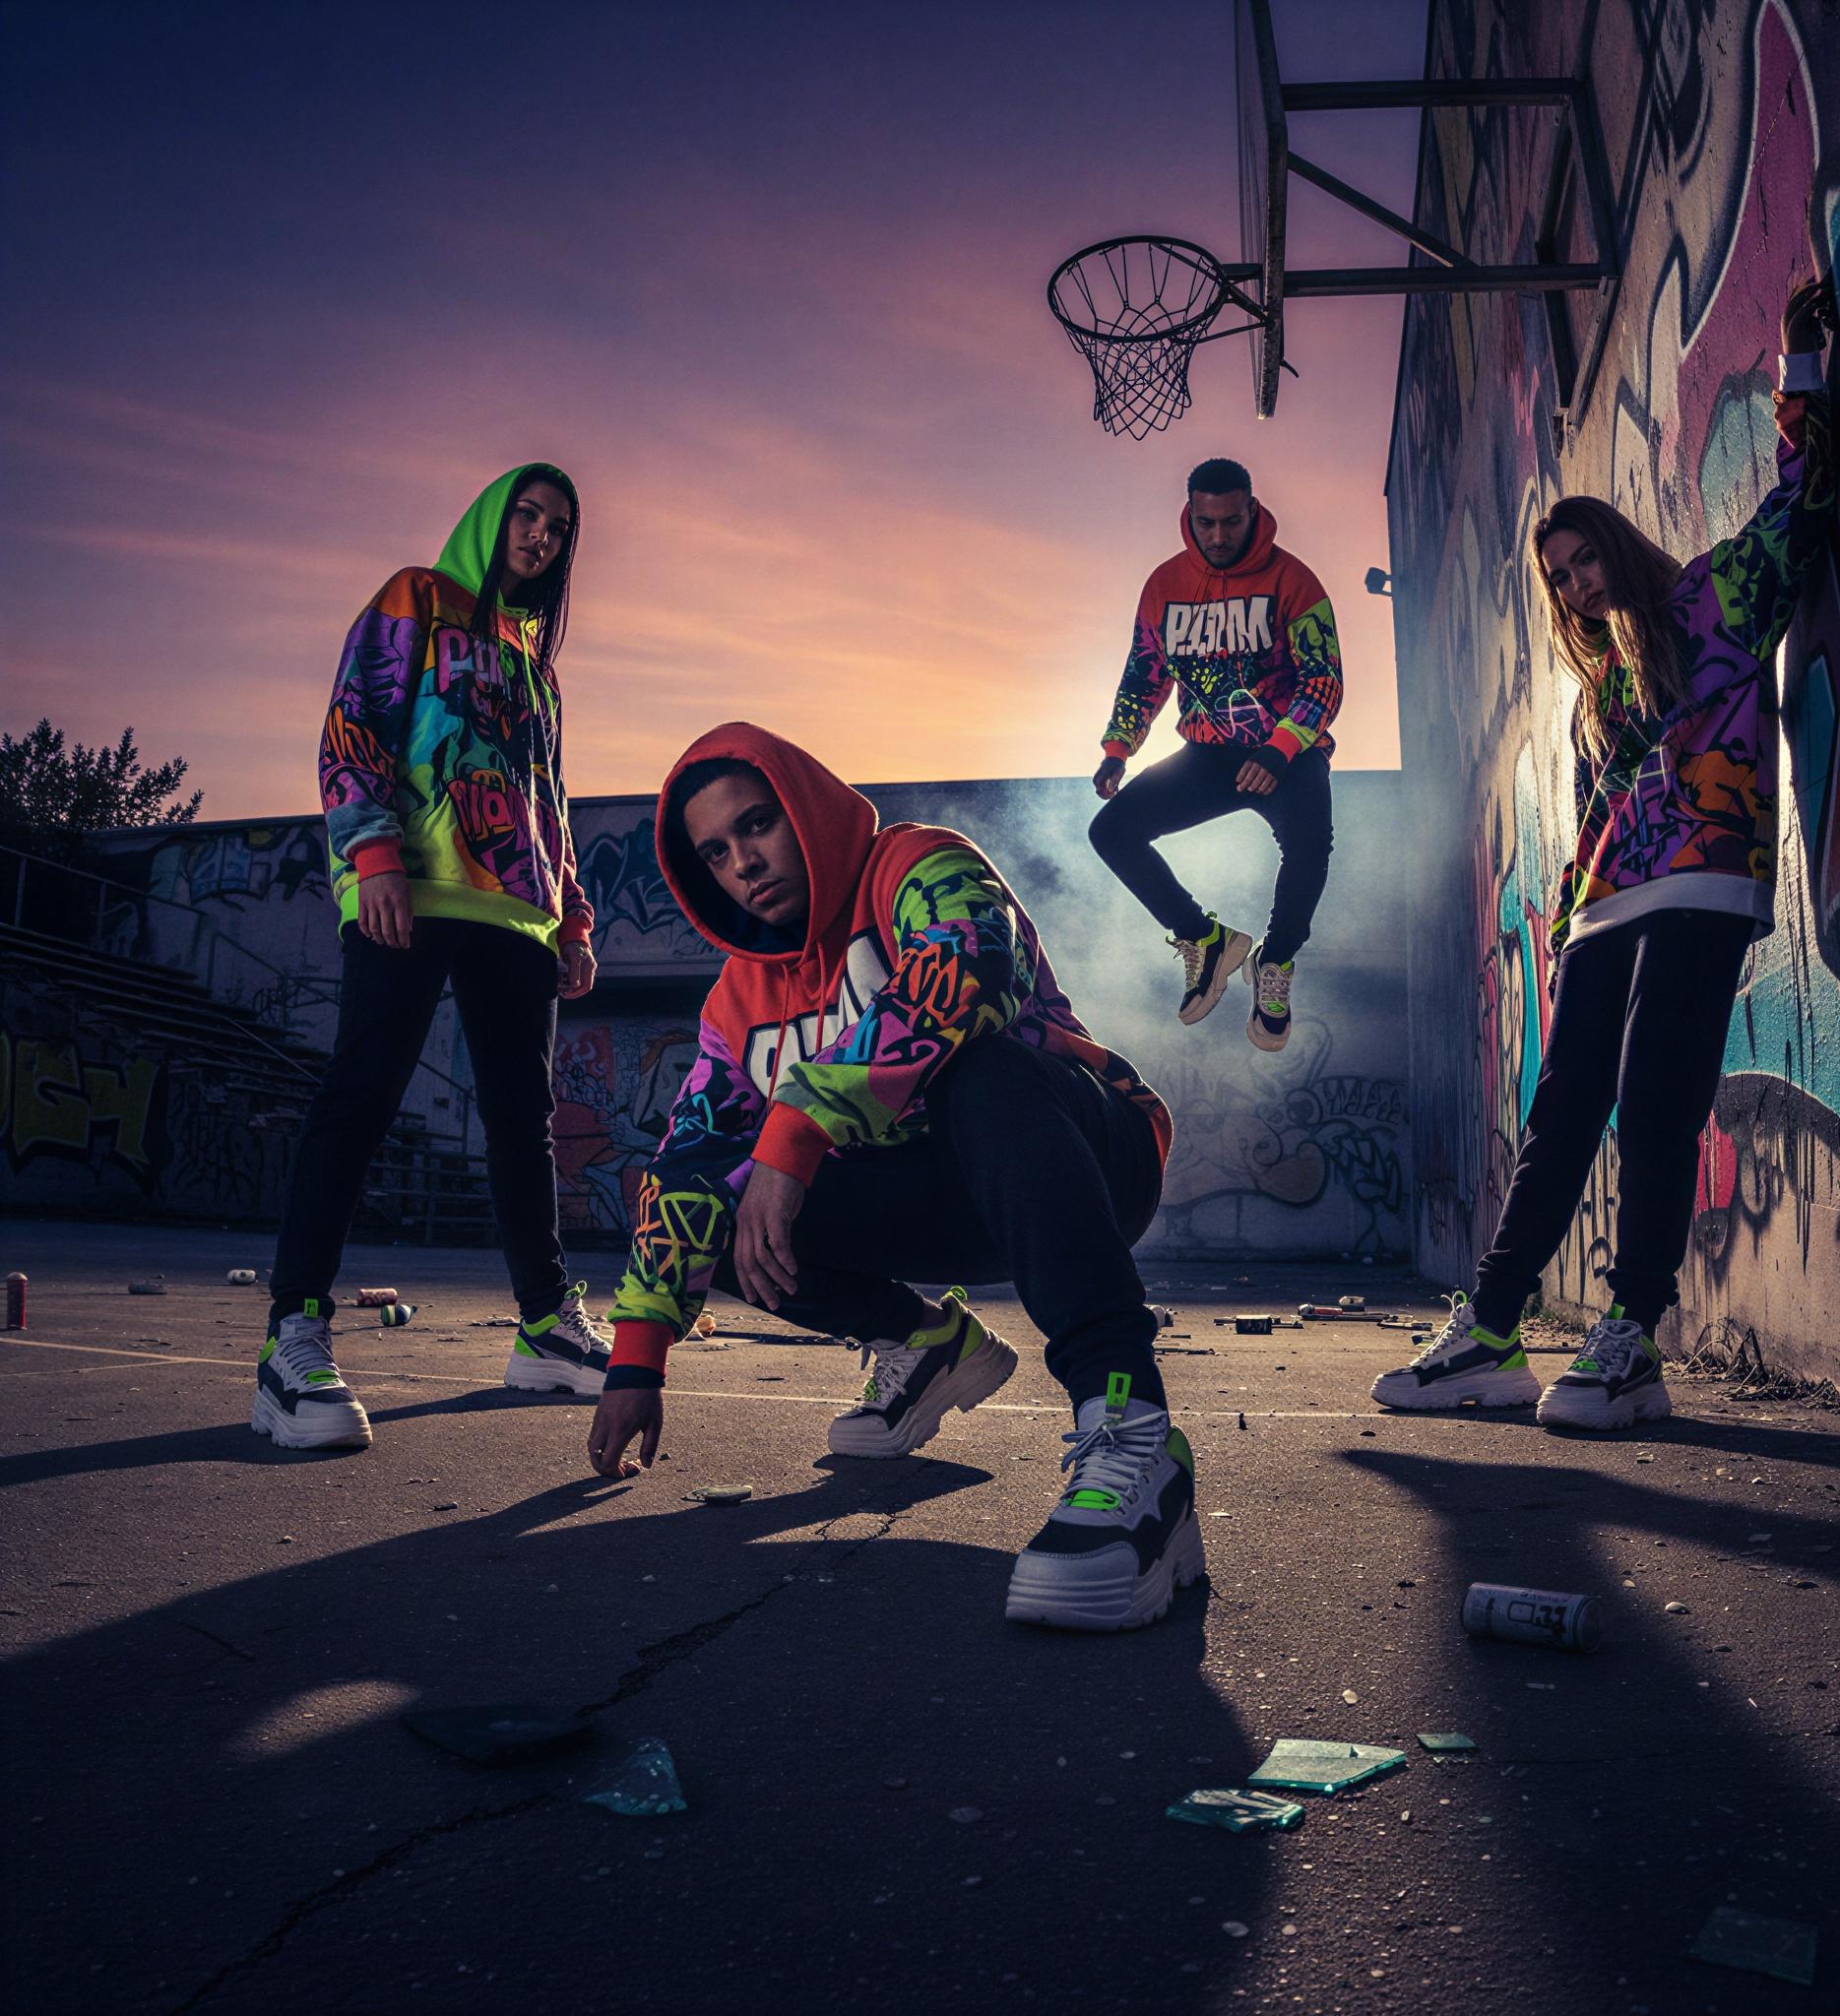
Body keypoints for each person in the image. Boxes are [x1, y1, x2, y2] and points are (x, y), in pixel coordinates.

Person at [586, 724, 1202, 1632]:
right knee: (717, 1200)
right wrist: (638, 1355)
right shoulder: (735, 1001)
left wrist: (793, 1131)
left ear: (804, 810)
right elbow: (688, 1153)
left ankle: (1135, 1433)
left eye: (757, 826)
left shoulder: (918, 864)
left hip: (1084, 1160)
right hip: (939, 1206)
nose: (742, 863)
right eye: (715, 852)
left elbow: (969, 972)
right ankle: (926, 1343)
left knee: (981, 1065)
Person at [1374, 278, 1837, 1430]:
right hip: (1600, 905)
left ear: (1618, 550)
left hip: (1702, 882)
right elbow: (1592, 816)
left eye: (1583, 559)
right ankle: (1487, 1328)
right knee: (1564, 1100)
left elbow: (1802, 504)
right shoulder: (1593, 702)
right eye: (1559, 576)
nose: (1576, 583)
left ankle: (1630, 1337)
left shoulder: (1717, 597)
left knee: (1654, 1095)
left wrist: (1803, 374)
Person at [253, 464, 609, 1451]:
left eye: (558, 527)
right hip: (410, 880)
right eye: (526, 515)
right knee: (360, 1092)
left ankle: (545, 1326)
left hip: (517, 915)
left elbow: (550, 799)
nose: (538, 536)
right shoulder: (414, 598)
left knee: (521, 1122)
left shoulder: (539, 665)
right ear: (493, 518)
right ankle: (293, 1333)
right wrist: (372, 854)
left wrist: (571, 918)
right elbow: (351, 723)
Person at [1088, 458, 1343, 1052]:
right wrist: (1118, 748)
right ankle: (1204, 939)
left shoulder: (1295, 582)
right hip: (1206, 753)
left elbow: (1324, 681)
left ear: (1252, 510)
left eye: (1232, 521)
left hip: (1287, 754)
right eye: (1207, 523)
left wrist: (1281, 751)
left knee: (1310, 846)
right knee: (1111, 832)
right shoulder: (1164, 587)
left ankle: (1272, 963)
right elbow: (1143, 675)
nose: (1220, 536)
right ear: (1191, 517)